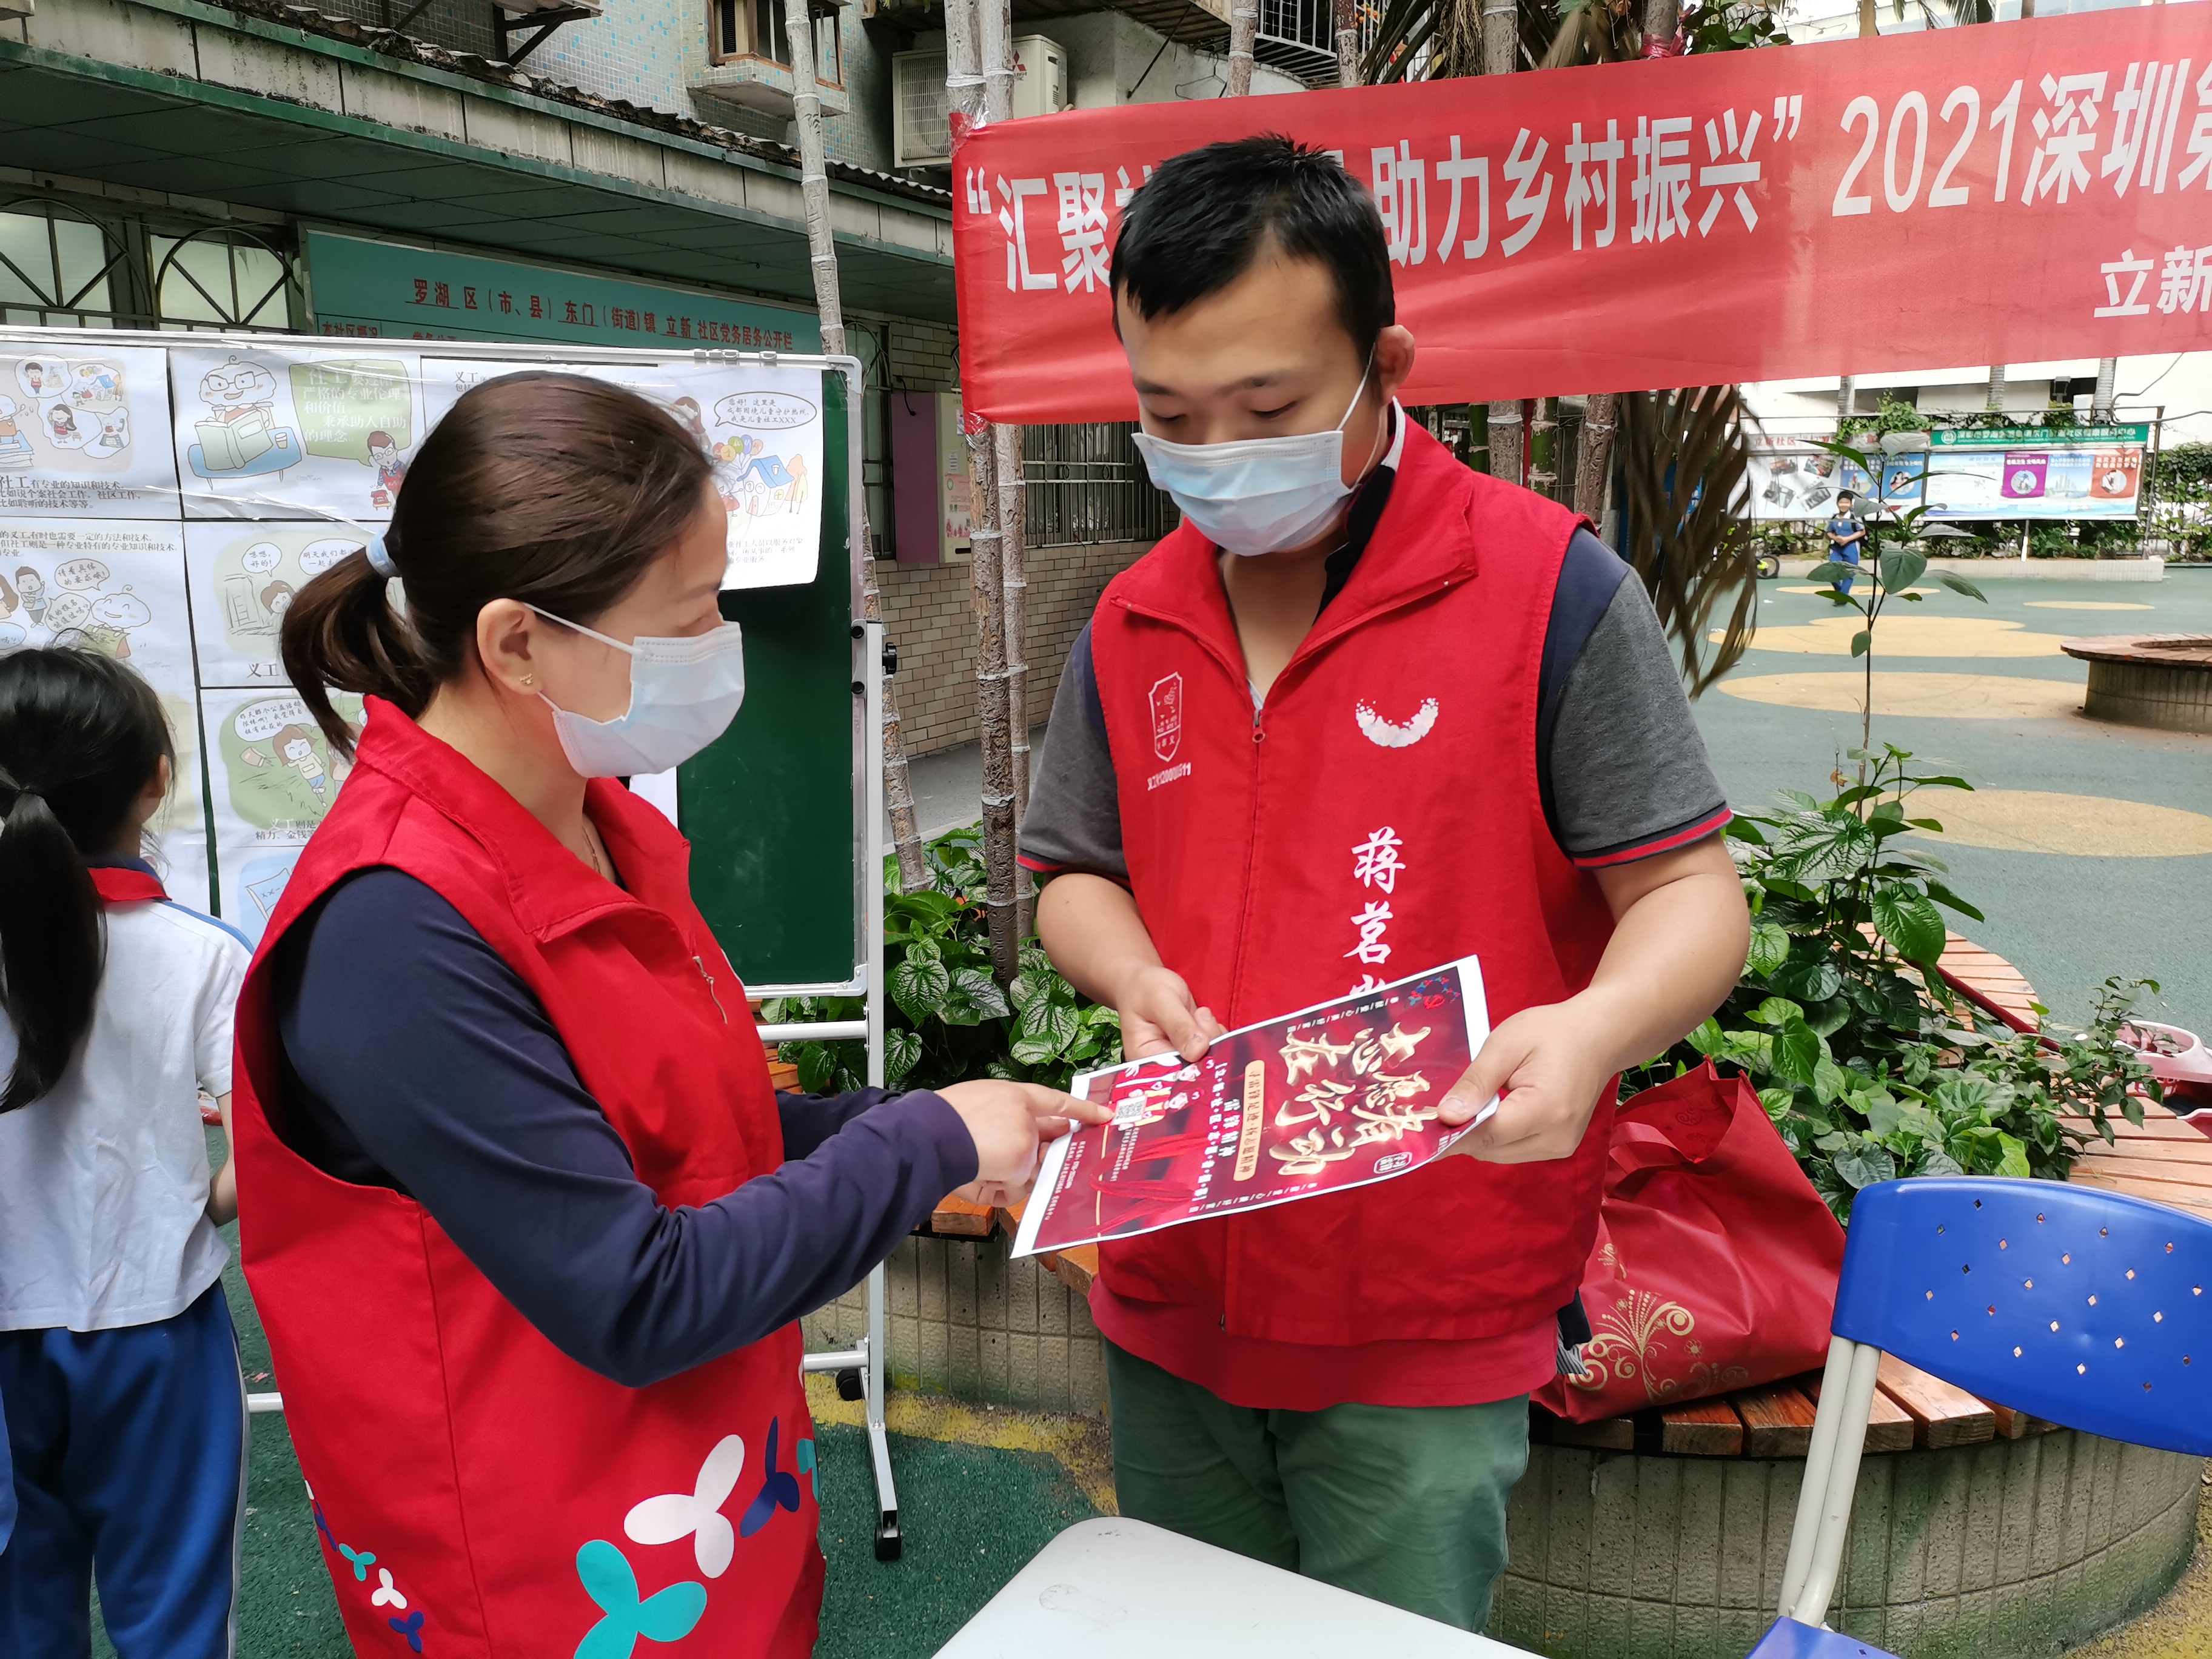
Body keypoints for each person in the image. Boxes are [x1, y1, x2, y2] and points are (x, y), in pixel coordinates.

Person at [232, 372, 1105, 1659]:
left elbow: (696, 1130)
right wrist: (924, 1141)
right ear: (517, 643)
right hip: (545, 1574)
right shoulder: (394, 930)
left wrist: (935, 1130)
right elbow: (633, 1295)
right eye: (692, 613)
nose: (721, 642)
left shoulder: (597, 830)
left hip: (702, 1504)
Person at [1019, 137, 1751, 1631]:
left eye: (1269, 408)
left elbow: (1690, 893)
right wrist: (1130, 969)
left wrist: (1595, 1028)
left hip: (1424, 1306)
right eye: (1170, 416)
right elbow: (1074, 873)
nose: (1217, 454)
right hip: (1170, 1282)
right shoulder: (1133, 617)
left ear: (1385, 365)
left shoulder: (1549, 589)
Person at [0, 647, 250, 1657]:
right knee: (177, 1626)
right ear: (157, 781)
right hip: (160, 1331)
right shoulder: (204, 955)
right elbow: (278, 1147)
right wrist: (199, 1201)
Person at [1825, 489, 1865, 594]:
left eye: (1847, 502)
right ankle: (1839, 592)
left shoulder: (1854, 517)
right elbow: (1828, 532)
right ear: (1837, 503)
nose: (1844, 505)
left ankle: (1843, 596)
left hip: (1851, 547)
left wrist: (1847, 539)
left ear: (1851, 504)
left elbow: (1862, 531)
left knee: (1849, 573)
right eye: (1841, 502)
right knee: (1832, 571)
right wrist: (1835, 538)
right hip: (1836, 548)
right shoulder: (1834, 518)